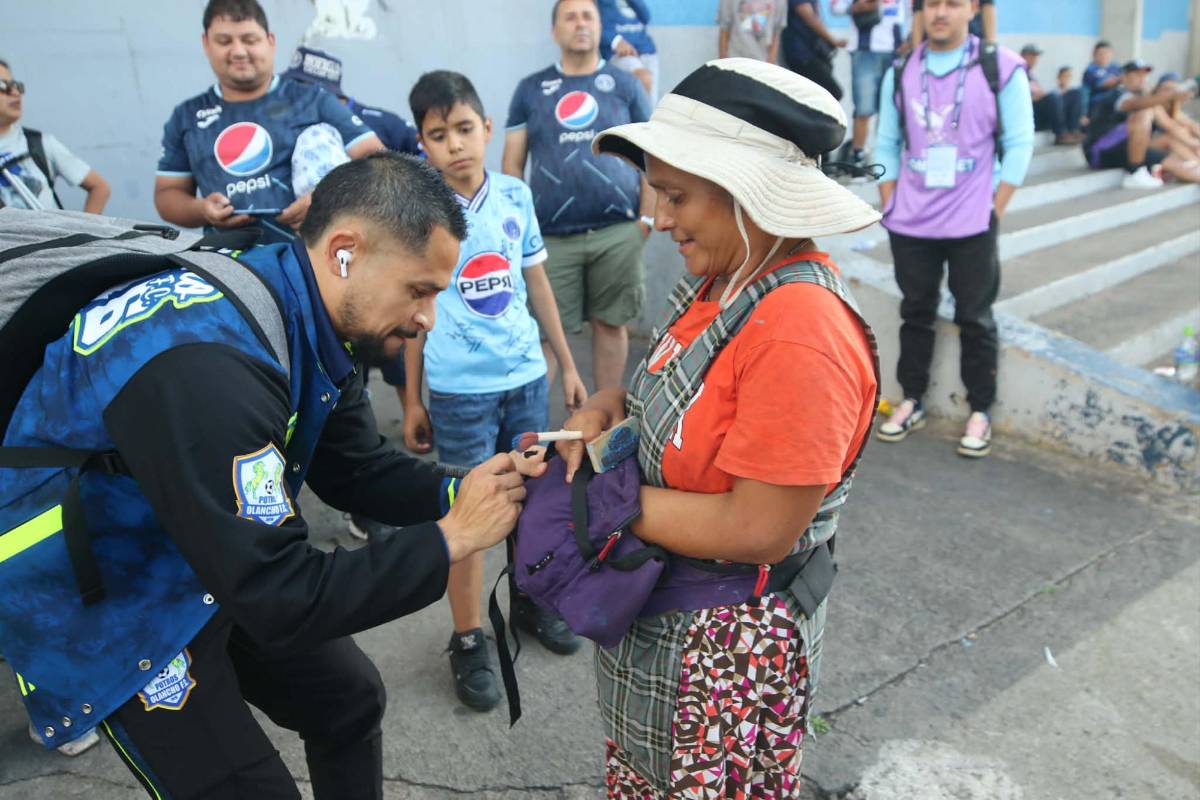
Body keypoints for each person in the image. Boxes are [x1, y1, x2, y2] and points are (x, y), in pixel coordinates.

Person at [0, 153, 545, 799]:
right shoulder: (208, 369)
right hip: (106, 596)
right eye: (420, 290)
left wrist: (471, 488)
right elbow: (280, 597)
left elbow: (356, 469)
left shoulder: (302, 310)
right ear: (345, 251)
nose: (428, 317)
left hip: (204, 547)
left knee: (349, 700)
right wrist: (452, 536)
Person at [562, 57, 880, 796]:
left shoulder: (799, 331)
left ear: (748, 194)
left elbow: (758, 526)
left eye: (675, 196)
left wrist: (590, 496)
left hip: (723, 667)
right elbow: (651, 403)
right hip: (665, 634)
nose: (661, 218)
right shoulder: (721, 281)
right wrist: (599, 414)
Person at [400, 70, 589, 711]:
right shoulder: (420, 212)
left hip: (524, 382)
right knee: (471, 514)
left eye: (464, 129)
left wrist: (564, 363)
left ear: (486, 129)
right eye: (437, 134)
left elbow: (539, 289)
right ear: (422, 144)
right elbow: (414, 308)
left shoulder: (514, 196)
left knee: (533, 502)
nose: (454, 144)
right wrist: (411, 398)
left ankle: (531, 604)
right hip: (458, 393)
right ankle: (468, 636)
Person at [875, 0, 1034, 458]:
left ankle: (980, 409)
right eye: (933, 4)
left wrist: (995, 209)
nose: (941, 12)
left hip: (972, 220)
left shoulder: (998, 66)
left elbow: (1021, 142)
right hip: (911, 220)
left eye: (953, 3)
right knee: (916, 311)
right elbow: (886, 140)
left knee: (975, 317)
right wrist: (889, 201)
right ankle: (912, 399)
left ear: (972, 10)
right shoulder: (902, 68)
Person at [502, 0, 655, 391]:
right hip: (550, 241)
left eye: (588, 15)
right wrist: (519, 232)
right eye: (569, 16)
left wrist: (646, 221)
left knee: (611, 325)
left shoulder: (626, 86)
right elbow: (513, 165)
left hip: (619, 234)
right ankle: (535, 431)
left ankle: (602, 424)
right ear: (555, 32)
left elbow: (651, 158)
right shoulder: (530, 89)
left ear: (601, 27)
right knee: (547, 336)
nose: (580, 23)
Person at [154, 0, 384, 245]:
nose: (239, 51)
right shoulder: (187, 115)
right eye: (224, 41)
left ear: (270, 41)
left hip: (313, 259)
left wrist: (328, 196)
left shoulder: (312, 99)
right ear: (206, 44)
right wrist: (202, 210)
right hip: (227, 263)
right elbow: (168, 194)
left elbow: (379, 160)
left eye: (250, 40)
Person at [0, 59, 110, 212]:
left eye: (17, 86)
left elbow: (100, 187)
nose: (15, 92)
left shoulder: (39, 143)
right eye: (3, 86)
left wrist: (84, 232)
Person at [283, 46, 422, 156]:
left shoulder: (382, 123)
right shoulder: (289, 123)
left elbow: (429, 155)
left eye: (299, 87)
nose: (291, 94)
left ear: (323, 91)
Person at [1083, 60, 1200, 188]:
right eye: (1137, 75)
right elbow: (1135, 104)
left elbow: (1170, 125)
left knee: (1173, 150)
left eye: (1144, 75)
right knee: (1143, 114)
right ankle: (1135, 172)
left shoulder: (1144, 97)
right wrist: (1172, 94)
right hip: (1100, 151)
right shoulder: (1117, 94)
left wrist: (1194, 144)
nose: (1142, 79)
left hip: (1129, 149)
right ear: (1124, 77)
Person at [831, 0, 911, 171]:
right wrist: (859, 5)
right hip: (864, 49)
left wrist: (910, 40)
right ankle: (858, 155)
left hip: (895, 50)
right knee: (864, 108)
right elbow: (836, 7)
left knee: (891, 107)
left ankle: (888, 155)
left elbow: (911, 11)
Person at [782, 0, 848, 100]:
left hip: (814, 52)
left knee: (817, 97)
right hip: (802, 54)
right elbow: (809, 17)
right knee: (832, 93)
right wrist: (833, 41)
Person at [1021, 44, 1083, 145]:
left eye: (1035, 56)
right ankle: (1061, 134)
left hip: (1041, 109)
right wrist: (1036, 97)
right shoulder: (1017, 73)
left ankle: (1073, 130)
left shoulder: (1031, 75)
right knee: (1053, 97)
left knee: (1075, 94)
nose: (1034, 59)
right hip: (1030, 113)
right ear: (1023, 56)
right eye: (1031, 56)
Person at [598, 0, 659, 100]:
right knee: (644, 79)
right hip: (619, 52)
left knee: (652, 103)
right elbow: (587, 23)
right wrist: (615, 40)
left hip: (646, 49)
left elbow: (646, 17)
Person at [1150, 73, 1200, 163]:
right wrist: (1193, 143)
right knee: (1171, 139)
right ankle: (1197, 167)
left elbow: (1190, 124)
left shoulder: (1171, 105)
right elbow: (1171, 127)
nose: (1169, 93)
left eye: (1172, 90)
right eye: (1165, 89)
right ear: (1157, 89)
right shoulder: (1152, 104)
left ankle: (1196, 164)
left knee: (1187, 130)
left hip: (1155, 143)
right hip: (1136, 146)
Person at [718, 0, 788, 64]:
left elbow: (776, 34)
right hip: (734, 61)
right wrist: (723, 66)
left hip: (763, 64)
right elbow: (724, 31)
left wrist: (770, 67)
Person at [912, 0, 995, 44]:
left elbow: (987, 5)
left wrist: (991, 45)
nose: (941, 13)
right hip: (932, 42)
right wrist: (916, 54)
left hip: (973, 39)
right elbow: (919, 11)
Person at [1082, 39, 1122, 116]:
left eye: (1106, 53)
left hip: (1116, 102)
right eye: (1100, 53)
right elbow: (1103, 84)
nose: (1104, 56)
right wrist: (1121, 79)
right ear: (1094, 55)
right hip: (1097, 105)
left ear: (1112, 54)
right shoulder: (1090, 70)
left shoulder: (1116, 67)